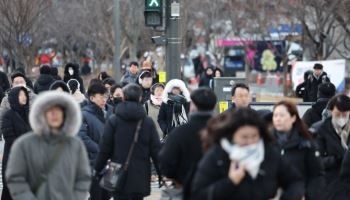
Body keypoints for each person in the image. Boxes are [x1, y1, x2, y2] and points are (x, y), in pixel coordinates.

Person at [191, 108, 304, 200]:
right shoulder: (218, 155)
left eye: (254, 136)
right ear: (232, 135)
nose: (250, 141)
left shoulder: (268, 152)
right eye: (244, 137)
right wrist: (230, 182)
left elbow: (295, 181)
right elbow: (197, 194)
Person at [6, 91, 91, 200]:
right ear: (42, 113)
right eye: (49, 110)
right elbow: (16, 178)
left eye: (58, 109)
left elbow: (83, 177)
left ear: (65, 113)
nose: (54, 114)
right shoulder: (23, 144)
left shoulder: (75, 145)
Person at [94, 83, 161, 200]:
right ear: (140, 98)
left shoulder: (114, 120)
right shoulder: (147, 122)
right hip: (140, 175)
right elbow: (156, 151)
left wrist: (97, 169)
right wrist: (161, 174)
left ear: (123, 97)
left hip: (117, 174)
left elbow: (105, 149)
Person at [159, 87, 217, 200]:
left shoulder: (180, 133)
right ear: (214, 106)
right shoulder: (222, 131)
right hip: (215, 190)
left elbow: (165, 163)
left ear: (193, 106)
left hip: (185, 189)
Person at [272, 101, 325, 200]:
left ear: (293, 118)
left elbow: (317, 175)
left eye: (282, 115)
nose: (278, 119)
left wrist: (308, 195)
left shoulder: (306, 143)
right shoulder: (267, 142)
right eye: (275, 115)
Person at [78, 83, 113, 200]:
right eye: (101, 96)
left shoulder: (111, 113)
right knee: (97, 195)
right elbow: (82, 137)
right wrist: (102, 151)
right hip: (93, 163)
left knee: (107, 195)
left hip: (111, 165)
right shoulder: (84, 115)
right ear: (92, 98)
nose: (104, 99)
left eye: (105, 96)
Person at [1, 86, 31, 200]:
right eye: (20, 95)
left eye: (25, 95)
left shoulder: (29, 114)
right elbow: (8, 136)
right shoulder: (8, 115)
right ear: (14, 98)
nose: (24, 97)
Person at [315, 94, 350, 185]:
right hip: (332, 181)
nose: (341, 118)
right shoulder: (322, 130)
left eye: (345, 114)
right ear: (331, 111)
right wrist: (337, 160)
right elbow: (317, 160)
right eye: (337, 114)